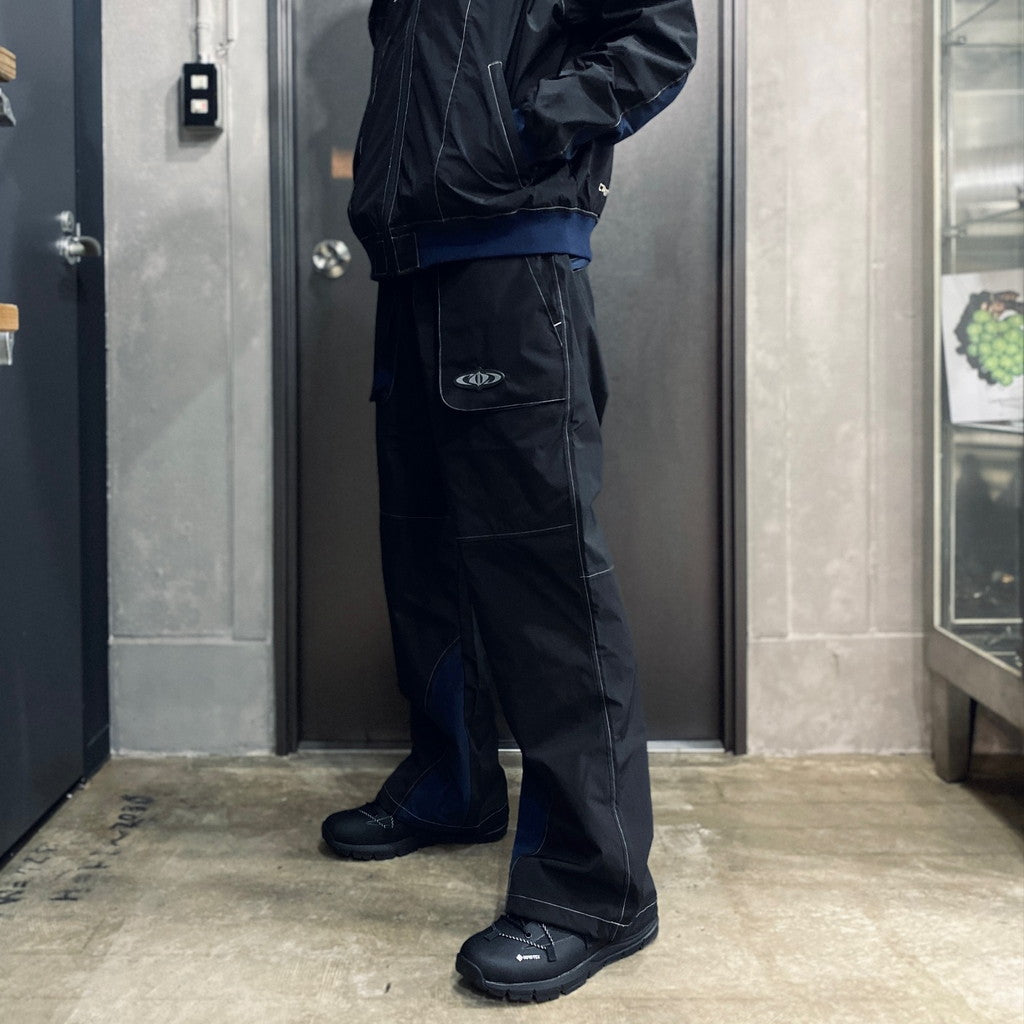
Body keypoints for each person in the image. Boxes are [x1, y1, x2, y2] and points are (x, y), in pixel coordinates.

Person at [321, 0, 698, 1002]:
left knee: (544, 579)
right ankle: (452, 783)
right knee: (424, 557)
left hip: (509, 261)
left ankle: (595, 885)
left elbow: (660, 36)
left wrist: (527, 125)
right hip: (411, 270)